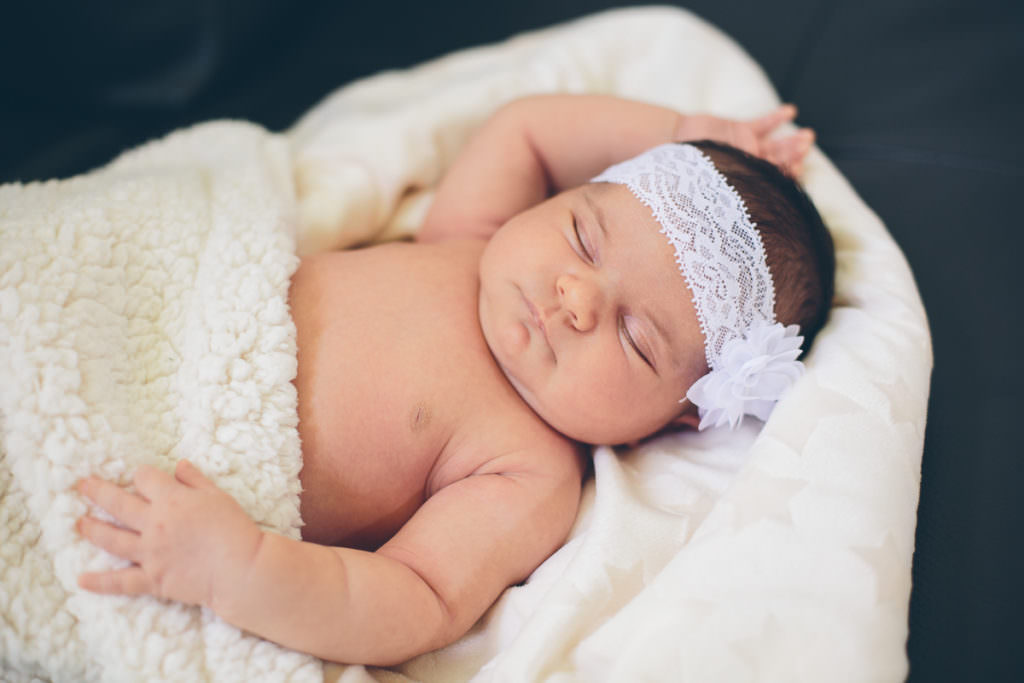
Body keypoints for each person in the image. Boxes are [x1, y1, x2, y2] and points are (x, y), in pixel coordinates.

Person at [73, 94, 833, 665]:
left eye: (636, 337)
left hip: (169, 452)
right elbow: (524, 129)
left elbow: (416, 598)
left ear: (678, 419)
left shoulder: (530, 470)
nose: (577, 295)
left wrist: (239, 567)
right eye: (582, 234)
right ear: (559, 198)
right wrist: (675, 132)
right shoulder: (468, 242)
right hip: (135, 314)